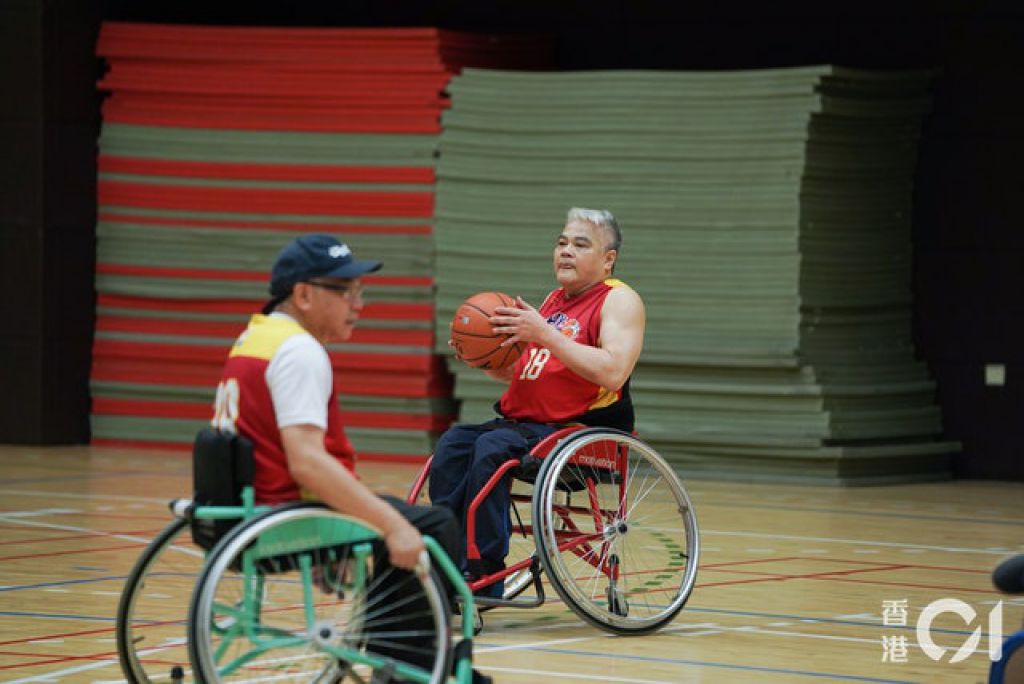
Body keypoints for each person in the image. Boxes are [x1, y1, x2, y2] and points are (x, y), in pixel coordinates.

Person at [211, 233, 484, 681]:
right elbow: (308, 464)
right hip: (286, 519)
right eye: (345, 292)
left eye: (360, 291)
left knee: (399, 519)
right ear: (303, 294)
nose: (359, 303)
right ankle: (404, 669)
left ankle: (396, 654)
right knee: (430, 528)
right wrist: (393, 527)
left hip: (243, 514)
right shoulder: (299, 351)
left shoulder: (254, 338)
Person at [428, 207, 646, 595]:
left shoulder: (619, 300)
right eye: (562, 242)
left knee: (491, 448)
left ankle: (481, 572)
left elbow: (614, 371)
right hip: (525, 424)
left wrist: (544, 334)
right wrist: (483, 358)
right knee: (453, 445)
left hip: (576, 431)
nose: (565, 251)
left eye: (580, 245)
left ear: (607, 259)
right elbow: (535, 372)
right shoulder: (554, 301)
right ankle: (443, 559)